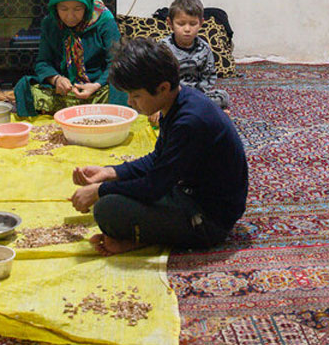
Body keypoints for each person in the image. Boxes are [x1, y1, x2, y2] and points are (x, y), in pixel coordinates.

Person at [70, 38, 247, 256]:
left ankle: (141, 239)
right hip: (186, 191)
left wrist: (99, 190)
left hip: (209, 221)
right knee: (114, 194)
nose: (130, 102)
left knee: (107, 209)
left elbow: (154, 186)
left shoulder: (189, 121)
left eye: (136, 96)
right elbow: (158, 159)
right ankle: (140, 234)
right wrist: (110, 172)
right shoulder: (176, 101)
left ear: (163, 88)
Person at [12, 0, 127, 118]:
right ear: (55, 7)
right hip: (65, 91)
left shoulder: (104, 22)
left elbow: (116, 63)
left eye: (77, 9)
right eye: (63, 9)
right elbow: (43, 62)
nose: (70, 16)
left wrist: (96, 85)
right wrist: (56, 79)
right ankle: (90, 110)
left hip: (99, 89)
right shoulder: (50, 23)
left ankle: (80, 109)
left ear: (87, 6)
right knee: (25, 87)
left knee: (123, 87)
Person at [159, 0, 229, 110]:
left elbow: (209, 76)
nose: (187, 29)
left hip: (196, 93)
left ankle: (189, 107)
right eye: (181, 24)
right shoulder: (163, 48)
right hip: (170, 94)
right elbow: (156, 77)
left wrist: (197, 94)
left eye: (193, 24)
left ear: (201, 23)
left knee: (223, 97)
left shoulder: (204, 49)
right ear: (170, 23)